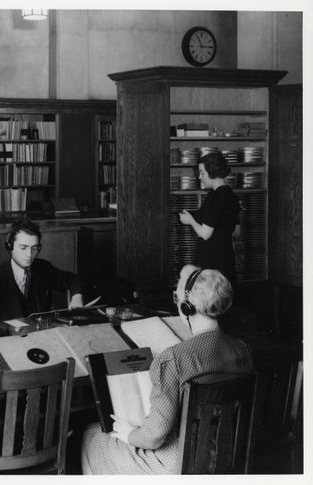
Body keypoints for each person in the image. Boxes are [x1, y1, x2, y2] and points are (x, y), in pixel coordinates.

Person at [81, 264, 253, 474]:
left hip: (181, 463)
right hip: (227, 451)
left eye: (177, 298)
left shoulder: (174, 359)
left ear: (186, 307)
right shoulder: (242, 349)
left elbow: (153, 437)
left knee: (92, 435)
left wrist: (129, 435)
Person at [0, 219, 84, 321]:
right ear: (9, 246)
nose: (29, 255)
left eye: (34, 248)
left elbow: (74, 280)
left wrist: (77, 298)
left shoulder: (43, 268)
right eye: (23, 248)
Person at [179, 152, 241, 284]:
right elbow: (236, 232)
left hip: (211, 262)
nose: (200, 177)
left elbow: (205, 234)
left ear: (212, 172)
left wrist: (190, 221)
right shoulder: (232, 196)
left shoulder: (215, 197)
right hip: (227, 260)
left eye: (202, 173)